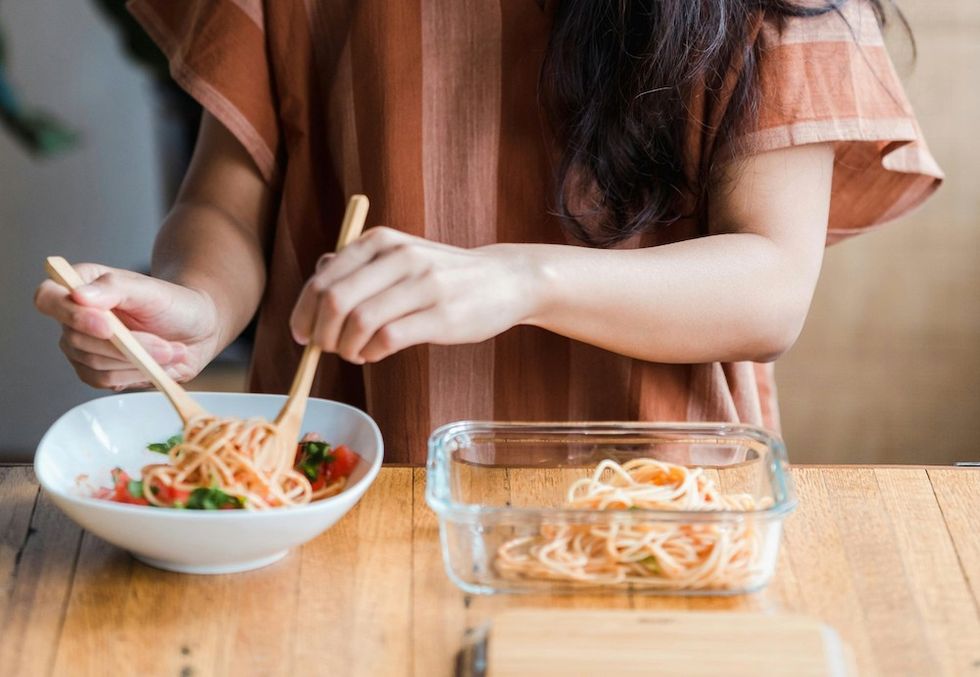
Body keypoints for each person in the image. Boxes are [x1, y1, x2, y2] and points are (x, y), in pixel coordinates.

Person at [34, 0, 941, 463]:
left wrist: (515, 281)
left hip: (657, 489)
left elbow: (770, 288)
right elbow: (231, 194)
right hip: (348, 467)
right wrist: (195, 304)